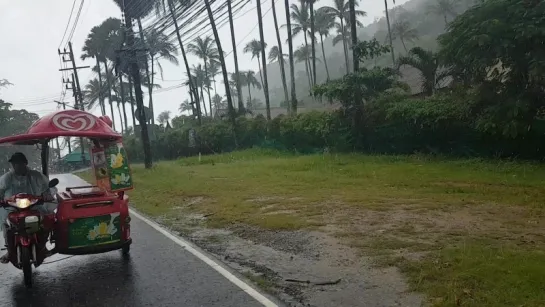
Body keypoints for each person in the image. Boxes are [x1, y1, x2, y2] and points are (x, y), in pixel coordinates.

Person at [0, 152, 56, 263]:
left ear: (25, 163)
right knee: (6, 224)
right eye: (14, 164)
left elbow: (49, 188)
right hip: (12, 208)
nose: (17, 166)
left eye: (19, 163)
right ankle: (9, 250)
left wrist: (47, 194)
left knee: (46, 221)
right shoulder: (7, 178)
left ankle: (43, 246)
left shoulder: (36, 175)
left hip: (35, 206)